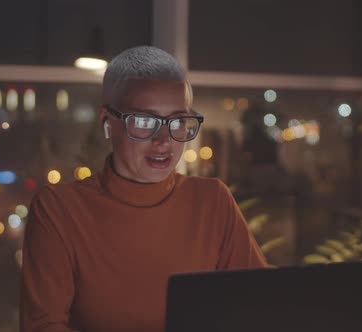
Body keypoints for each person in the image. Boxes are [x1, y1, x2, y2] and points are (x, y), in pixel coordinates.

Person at [20, 46, 267, 332]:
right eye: (144, 121)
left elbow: (258, 307)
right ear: (107, 123)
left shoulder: (212, 201)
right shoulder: (58, 209)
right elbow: (43, 326)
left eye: (177, 121)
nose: (164, 140)